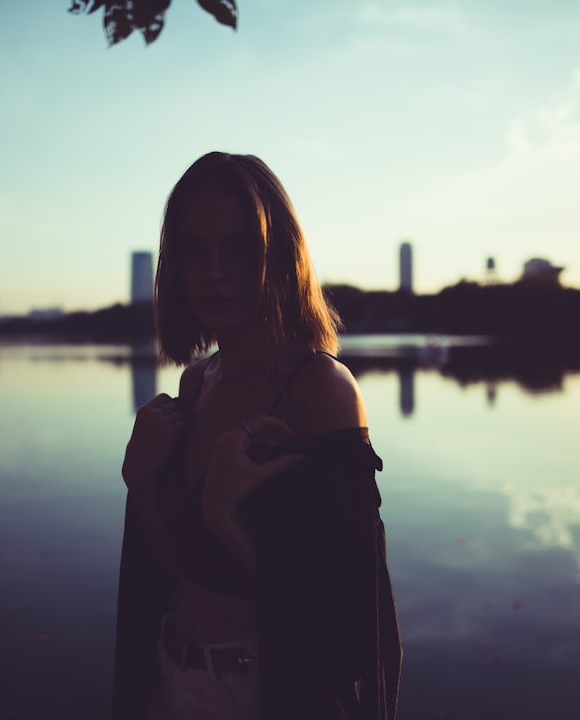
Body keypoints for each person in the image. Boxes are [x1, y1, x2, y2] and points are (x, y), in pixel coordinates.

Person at [112, 152, 401, 720]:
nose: (215, 269)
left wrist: (226, 514)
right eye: (194, 249)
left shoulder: (320, 391)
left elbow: (339, 620)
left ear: (279, 255)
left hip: (265, 692)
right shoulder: (196, 383)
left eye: (239, 247)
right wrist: (141, 483)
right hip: (171, 674)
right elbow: (182, 568)